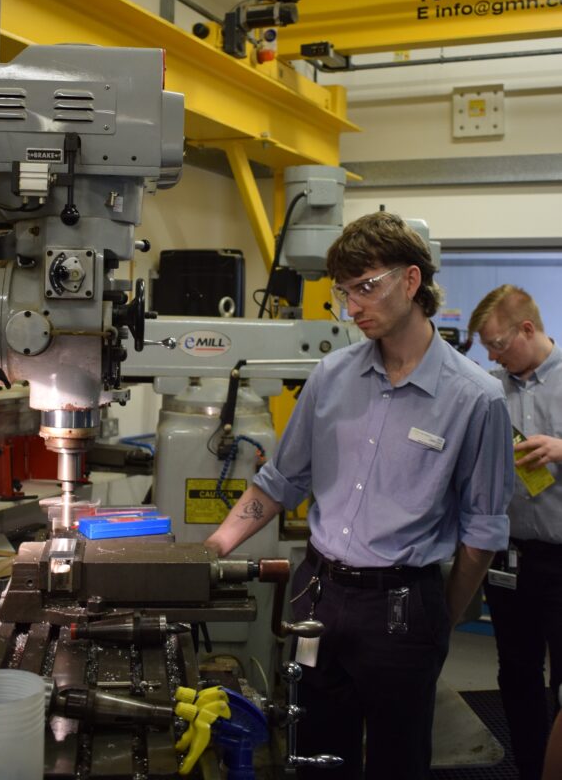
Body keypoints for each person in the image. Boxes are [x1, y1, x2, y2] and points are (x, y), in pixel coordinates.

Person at [205, 211, 514, 780]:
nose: (352, 307)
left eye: (366, 287)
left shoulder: (477, 399)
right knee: (315, 754)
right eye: (344, 292)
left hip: (404, 606)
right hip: (318, 596)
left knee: (398, 760)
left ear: (412, 280)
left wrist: (439, 621)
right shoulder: (331, 376)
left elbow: (483, 531)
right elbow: (280, 482)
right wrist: (213, 548)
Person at [469, 284, 562, 780]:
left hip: (560, 560)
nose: (492, 355)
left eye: (498, 344)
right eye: (486, 348)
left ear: (528, 329)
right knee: (517, 672)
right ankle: (530, 768)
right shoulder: (490, 390)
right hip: (507, 557)